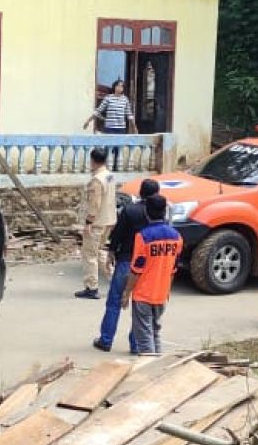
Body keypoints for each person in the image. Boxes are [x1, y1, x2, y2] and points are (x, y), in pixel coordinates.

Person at [94, 178, 160, 353]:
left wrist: (111, 252)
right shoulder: (158, 213)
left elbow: (117, 235)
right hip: (147, 265)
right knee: (140, 306)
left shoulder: (130, 210)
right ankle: (136, 344)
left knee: (114, 301)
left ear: (140, 192)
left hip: (126, 261)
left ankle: (106, 340)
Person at [121, 195, 182, 355]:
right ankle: (159, 366)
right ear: (164, 213)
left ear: (147, 213)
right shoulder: (177, 237)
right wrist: (167, 290)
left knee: (144, 338)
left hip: (143, 295)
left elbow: (136, 269)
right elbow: (173, 269)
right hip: (161, 294)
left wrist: (127, 293)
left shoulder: (143, 237)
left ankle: (150, 370)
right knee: (154, 333)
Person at [76, 148, 117, 300]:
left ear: (92, 160)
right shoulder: (110, 176)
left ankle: (91, 287)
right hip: (109, 220)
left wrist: (88, 222)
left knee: (90, 255)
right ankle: (115, 280)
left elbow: (95, 204)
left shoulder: (97, 180)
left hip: (97, 223)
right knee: (100, 252)